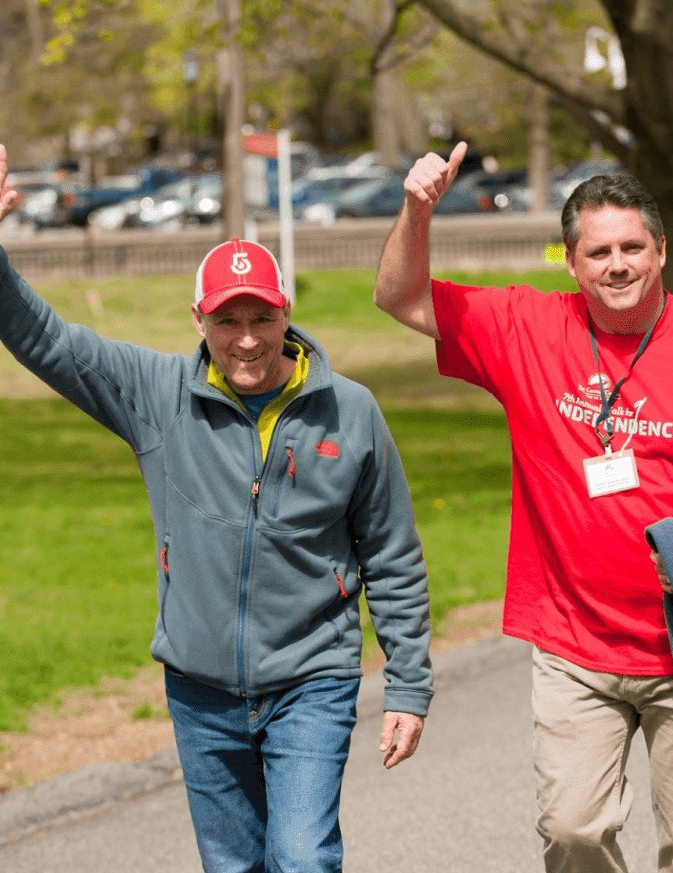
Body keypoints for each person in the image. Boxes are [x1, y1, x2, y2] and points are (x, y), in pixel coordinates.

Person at [374, 141, 673, 873]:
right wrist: (416, 211)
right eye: (597, 253)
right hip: (571, 641)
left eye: (631, 247)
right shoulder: (524, 328)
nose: (615, 265)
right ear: (570, 262)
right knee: (572, 828)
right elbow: (400, 297)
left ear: (661, 251)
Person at [0, 143, 432, 873]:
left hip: (312, 677)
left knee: (300, 858)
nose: (246, 340)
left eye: (260, 318)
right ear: (197, 320)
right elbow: (44, 340)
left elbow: (391, 553)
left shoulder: (349, 412)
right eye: (226, 321)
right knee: (233, 868)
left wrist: (409, 684)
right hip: (201, 690)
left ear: (285, 314)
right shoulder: (157, 396)